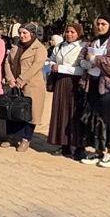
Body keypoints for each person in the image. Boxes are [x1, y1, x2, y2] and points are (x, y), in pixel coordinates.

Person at [79, 15, 110, 167]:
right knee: (94, 117)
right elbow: (83, 56)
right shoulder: (95, 41)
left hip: (109, 87)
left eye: (103, 24)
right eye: (98, 24)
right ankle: (98, 150)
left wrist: (94, 60)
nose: (100, 27)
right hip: (93, 83)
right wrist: (87, 62)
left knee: (108, 119)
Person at [3, 21, 47, 150]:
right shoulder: (16, 47)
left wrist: (21, 80)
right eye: (20, 33)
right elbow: (7, 62)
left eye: (25, 33)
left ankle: (26, 139)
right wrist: (11, 79)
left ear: (32, 34)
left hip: (32, 85)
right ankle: (12, 136)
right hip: (14, 85)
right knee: (13, 111)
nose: (22, 35)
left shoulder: (39, 49)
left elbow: (35, 67)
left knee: (30, 114)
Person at [46, 20, 86, 158]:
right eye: (67, 31)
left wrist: (61, 68)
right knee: (61, 112)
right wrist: (52, 65)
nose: (69, 34)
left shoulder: (82, 47)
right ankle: (64, 144)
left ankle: (79, 146)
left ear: (78, 33)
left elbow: (81, 69)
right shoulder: (60, 46)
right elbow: (52, 59)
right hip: (60, 83)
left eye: (72, 32)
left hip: (74, 84)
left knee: (74, 113)